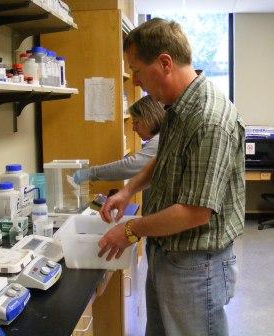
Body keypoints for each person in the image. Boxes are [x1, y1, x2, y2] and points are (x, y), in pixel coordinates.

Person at [98, 18, 245, 336]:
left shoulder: (209, 119)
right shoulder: (177, 107)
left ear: (164, 63)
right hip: (167, 254)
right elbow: (163, 159)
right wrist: (127, 192)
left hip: (196, 266)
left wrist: (131, 230)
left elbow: (195, 212)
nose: (135, 82)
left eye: (137, 70)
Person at [73, 95, 165, 211]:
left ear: (150, 119)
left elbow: (130, 166)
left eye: (136, 122)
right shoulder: (160, 138)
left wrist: (91, 173)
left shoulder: (159, 140)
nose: (134, 129)